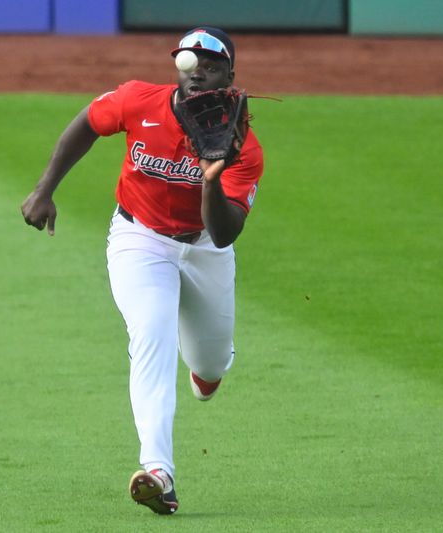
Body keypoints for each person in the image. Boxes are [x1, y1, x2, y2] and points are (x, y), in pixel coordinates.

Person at [21, 26, 264, 515]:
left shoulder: (244, 148)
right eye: (187, 63)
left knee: (211, 362)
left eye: (210, 65)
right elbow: (88, 122)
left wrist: (212, 175)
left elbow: (223, 234)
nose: (197, 73)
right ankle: (159, 473)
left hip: (205, 250)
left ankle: (208, 373)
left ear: (230, 75)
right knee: (150, 336)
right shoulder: (138, 100)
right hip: (140, 239)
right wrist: (45, 189)